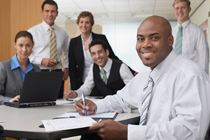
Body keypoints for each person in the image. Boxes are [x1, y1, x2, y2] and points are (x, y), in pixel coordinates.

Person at [75, 16, 210, 140]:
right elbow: (122, 99)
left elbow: (190, 132)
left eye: (154, 38)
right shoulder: (147, 75)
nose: (146, 44)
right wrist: (96, 106)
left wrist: (127, 133)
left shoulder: (190, 76)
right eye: (140, 39)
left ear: (170, 40)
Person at [69, 11, 136, 91]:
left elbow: (112, 57)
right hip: (82, 81)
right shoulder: (74, 42)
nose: (84, 25)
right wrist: (74, 89)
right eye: (81, 22)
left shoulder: (101, 38)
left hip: (100, 79)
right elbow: (72, 67)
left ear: (91, 24)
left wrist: (131, 71)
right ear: (78, 24)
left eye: (87, 22)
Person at [64, 39, 133, 99]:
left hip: (122, 105)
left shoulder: (121, 67)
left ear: (107, 52)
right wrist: (75, 93)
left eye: (100, 52)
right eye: (93, 53)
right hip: (106, 105)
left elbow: (133, 89)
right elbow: (86, 88)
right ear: (91, 56)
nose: (97, 56)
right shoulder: (93, 68)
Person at [28, 0, 70, 98]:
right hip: (39, 73)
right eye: (47, 11)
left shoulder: (63, 33)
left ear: (57, 13)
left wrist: (67, 68)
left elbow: (67, 52)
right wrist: (41, 61)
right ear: (42, 12)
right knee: (38, 104)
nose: (50, 14)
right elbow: (26, 56)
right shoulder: (32, 32)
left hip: (57, 75)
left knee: (57, 103)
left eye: (53, 11)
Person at [0, 31, 40, 105]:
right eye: (20, 45)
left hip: (32, 112)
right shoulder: (3, 67)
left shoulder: (36, 69)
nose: (24, 50)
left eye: (28, 45)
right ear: (15, 45)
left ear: (33, 45)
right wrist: (10, 100)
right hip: (9, 112)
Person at [172, 0, 209, 74]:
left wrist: (202, 78)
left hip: (192, 75)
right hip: (174, 74)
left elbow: (204, 58)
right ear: (174, 10)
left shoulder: (198, 31)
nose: (180, 11)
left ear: (189, 9)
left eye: (183, 7)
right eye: (177, 8)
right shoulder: (171, 32)